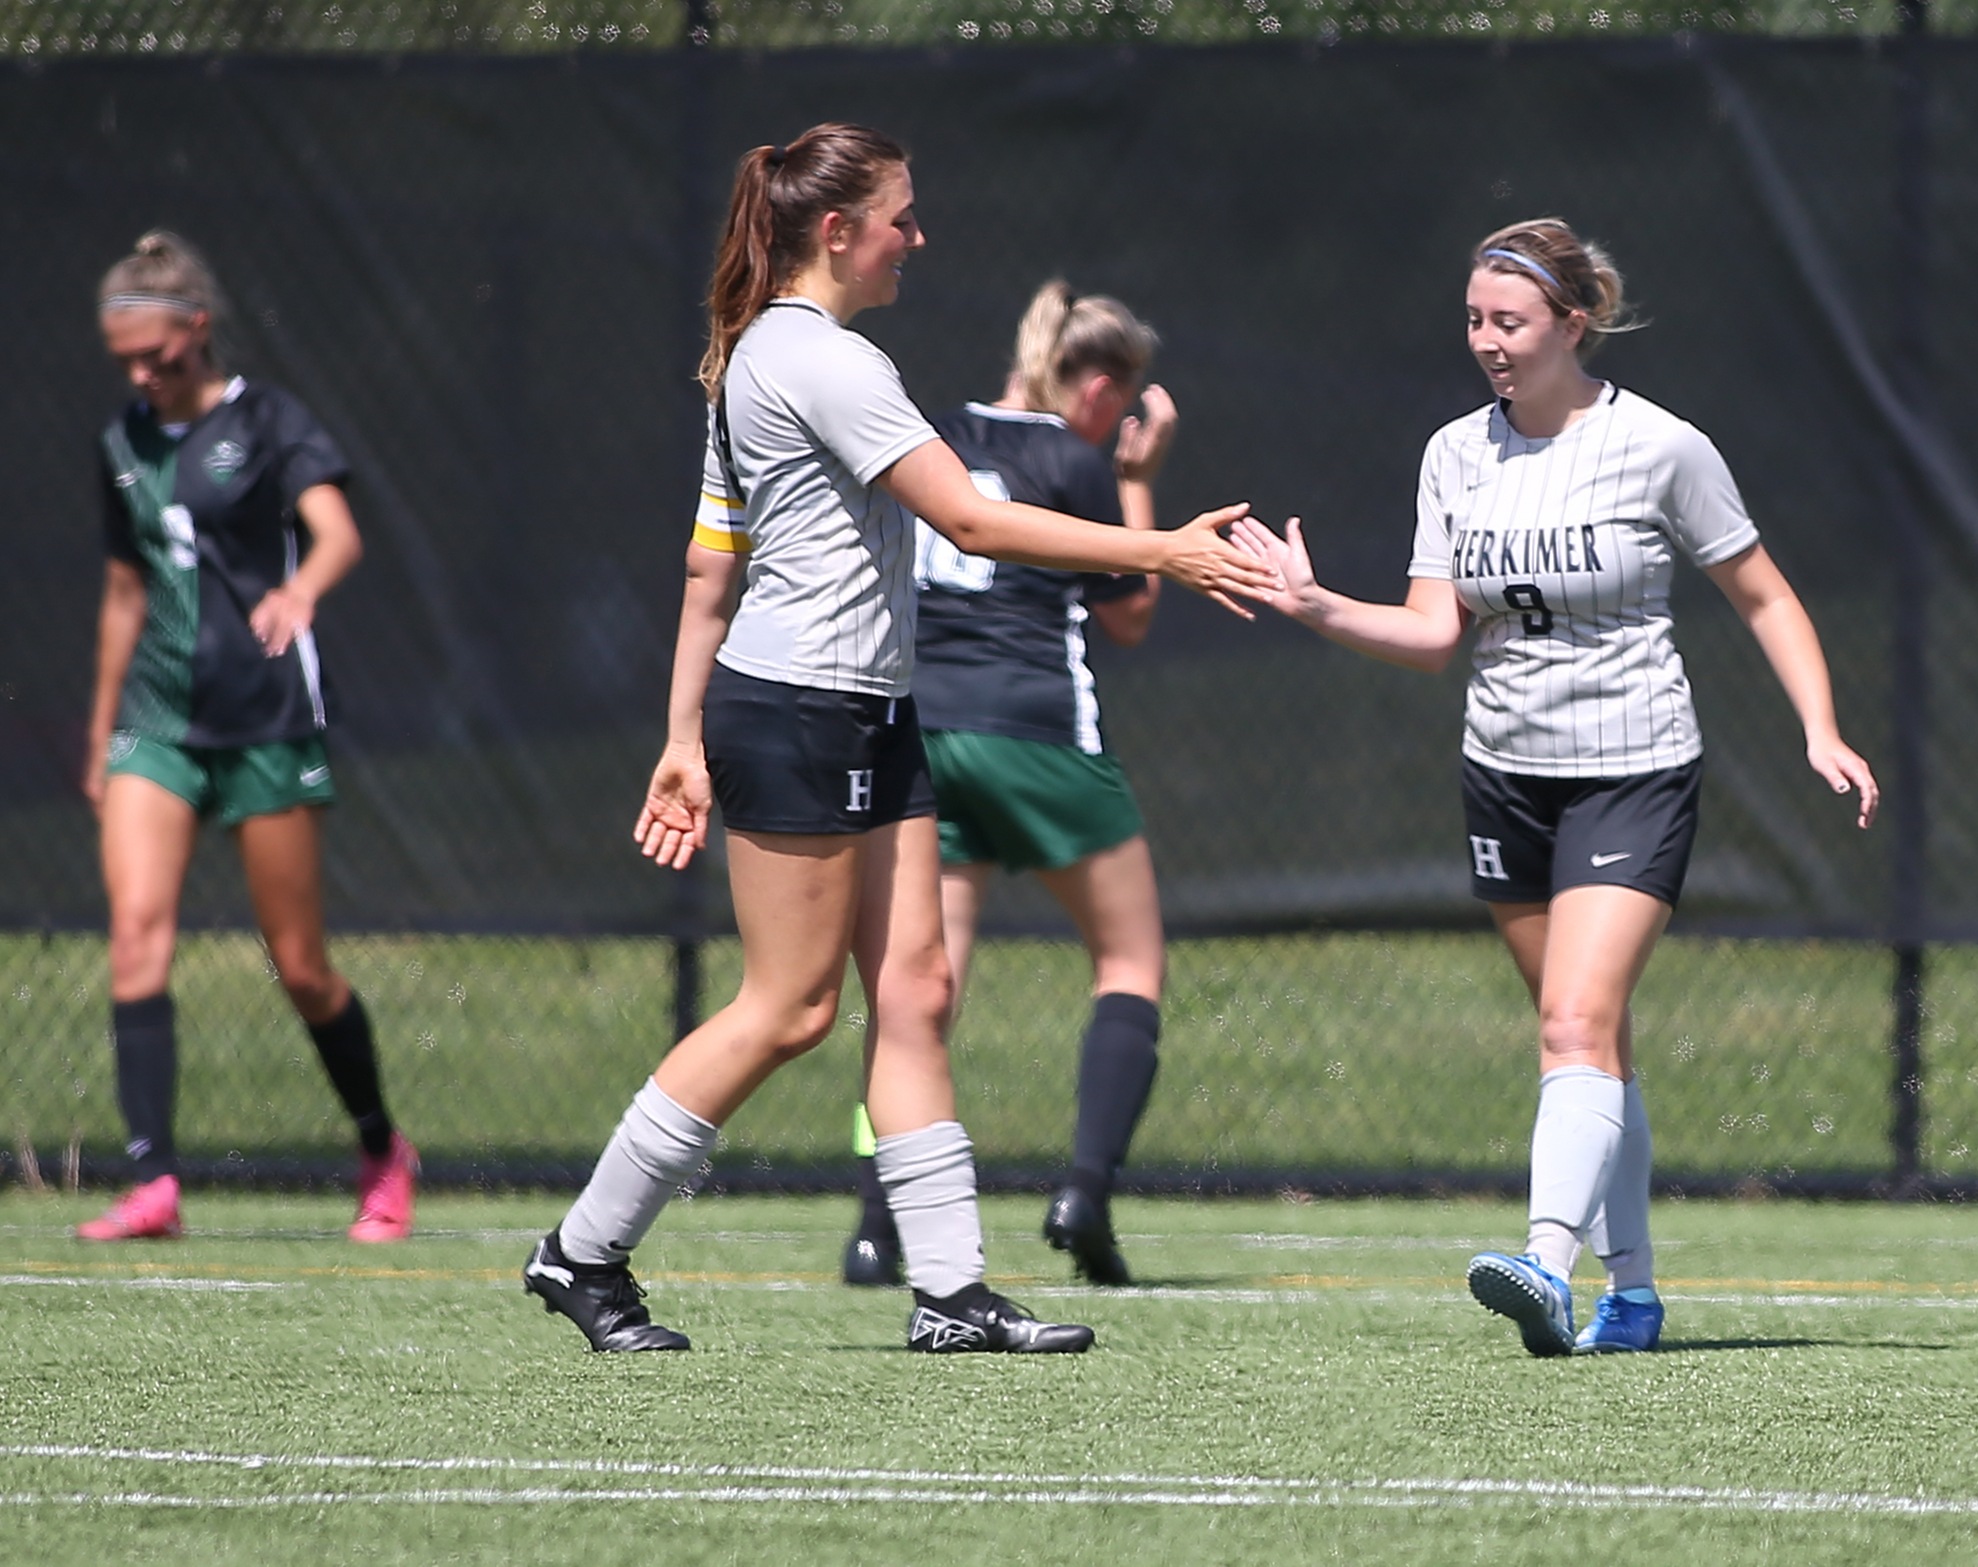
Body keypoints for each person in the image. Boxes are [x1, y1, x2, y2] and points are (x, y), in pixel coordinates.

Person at [520, 125, 1273, 1355]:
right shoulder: (819, 361)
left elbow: (713, 565)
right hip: (798, 710)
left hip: (873, 707)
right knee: (789, 1008)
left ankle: (950, 1293)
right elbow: (972, 524)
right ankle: (582, 1252)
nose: (915, 239)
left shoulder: (763, 355)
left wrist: (675, 737)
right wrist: (1167, 547)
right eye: (901, 218)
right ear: (838, 233)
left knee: (914, 991)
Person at [1236, 218, 1877, 1356]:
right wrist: (1315, 604)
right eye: (1475, 320)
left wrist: (1819, 728)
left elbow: (1765, 597)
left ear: (1572, 324)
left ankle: (1543, 1262)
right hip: (1505, 781)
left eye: (1511, 321)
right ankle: (1629, 1294)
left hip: (1631, 773)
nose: (1487, 341)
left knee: (1572, 1023)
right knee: (1596, 1043)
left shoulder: (1661, 447)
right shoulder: (1454, 453)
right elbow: (1435, 632)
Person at [75, 231, 417, 1245]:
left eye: (157, 354)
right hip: (158, 720)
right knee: (137, 932)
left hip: (265, 717)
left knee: (300, 965)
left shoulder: (268, 421)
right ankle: (153, 1182)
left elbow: (337, 531)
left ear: (197, 328)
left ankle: (380, 1148)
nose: (142, 374)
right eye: (124, 360)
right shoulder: (121, 445)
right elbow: (125, 588)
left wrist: (300, 590)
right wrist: (100, 731)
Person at [839, 281, 1177, 1291]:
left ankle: (874, 1224)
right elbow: (1130, 616)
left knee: (915, 993)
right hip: (1036, 733)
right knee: (1128, 958)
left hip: (926, 734)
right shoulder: (1076, 459)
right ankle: (1083, 1191)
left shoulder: (936, 434)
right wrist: (1140, 481)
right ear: (1100, 388)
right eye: (1124, 407)